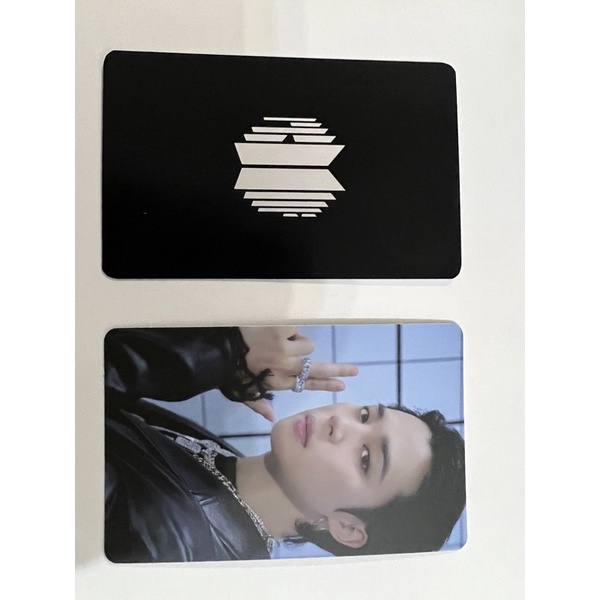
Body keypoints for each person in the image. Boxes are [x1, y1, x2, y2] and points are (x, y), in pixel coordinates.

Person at [105, 326, 465, 562]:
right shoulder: (227, 469)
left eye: (366, 458)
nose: (341, 423)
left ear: (348, 528)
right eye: (365, 415)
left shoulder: (173, 542)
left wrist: (220, 354)